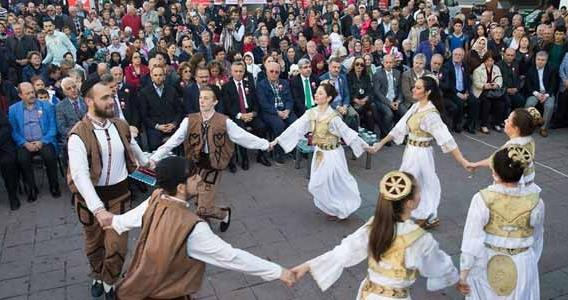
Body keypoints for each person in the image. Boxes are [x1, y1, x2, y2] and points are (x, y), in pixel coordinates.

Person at [104, 156, 295, 299]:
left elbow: (125, 221)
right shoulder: (192, 227)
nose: (199, 179)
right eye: (194, 177)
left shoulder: (156, 197)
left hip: (136, 286)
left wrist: (110, 220)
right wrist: (279, 272)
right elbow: (232, 258)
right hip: (166, 294)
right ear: (180, 187)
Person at [291, 171, 459, 298]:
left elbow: (345, 251)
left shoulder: (375, 224)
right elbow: (439, 266)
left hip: (368, 294)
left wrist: (307, 266)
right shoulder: (419, 238)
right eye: (418, 193)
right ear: (409, 203)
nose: (420, 196)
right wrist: (457, 278)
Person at [67, 78, 148, 299]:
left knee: (118, 244)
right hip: (90, 201)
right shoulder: (78, 134)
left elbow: (134, 149)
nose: (111, 101)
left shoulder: (120, 125)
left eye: (111, 96)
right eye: (105, 97)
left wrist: (149, 163)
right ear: (89, 101)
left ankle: (110, 281)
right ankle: (97, 275)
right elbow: (79, 175)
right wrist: (98, 209)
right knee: (94, 243)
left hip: (120, 195)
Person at [148, 86, 272, 230]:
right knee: (191, 197)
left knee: (203, 208)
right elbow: (174, 141)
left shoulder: (224, 121)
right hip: (193, 165)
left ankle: (223, 214)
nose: (202, 101)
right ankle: (203, 220)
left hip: (213, 166)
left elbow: (243, 137)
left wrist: (265, 144)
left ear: (215, 102)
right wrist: (155, 157)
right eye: (201, 97)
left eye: (206, 98)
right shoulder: (189, 120)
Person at [372, 76, 472, 228]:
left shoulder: (431, 115)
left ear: (428, 92)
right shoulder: (416, 106)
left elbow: (447, 140)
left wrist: (463, 161)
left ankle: (412, 214)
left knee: (413, 182)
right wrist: (381, 143)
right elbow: (400, 127)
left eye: (418, 88)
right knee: (418, 183)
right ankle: (425, 215)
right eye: (415, 86)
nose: (414, 89)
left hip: (421, 153)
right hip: (411, 151)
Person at [271, 82, 373, 220]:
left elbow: (347, 133)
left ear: (329, 98)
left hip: (334, 154)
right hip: (319, 152)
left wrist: (366, 147)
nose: (316, 95)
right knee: (316, 184)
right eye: (316, 92)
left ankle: (340, 208)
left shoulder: (333, 117)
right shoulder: (311, 113)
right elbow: (296, 127)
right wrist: (278, 140)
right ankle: (332, 208)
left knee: (338, 182)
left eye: (320, 93)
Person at [457, 146, 544, 300]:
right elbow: (537, 238)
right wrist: (530, 261)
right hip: (522, 262)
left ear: (495, 174)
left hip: (488, 260)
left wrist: (463, 274)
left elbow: (471, 240)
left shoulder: (482, 199)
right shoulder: (536, 202)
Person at [469, 108, 544, 191]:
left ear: (516, 128)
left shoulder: (512, 148)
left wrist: (475, 165)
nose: (505, 121)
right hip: (528, 186)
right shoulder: (530, 140)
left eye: (508, 120)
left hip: (514, 189)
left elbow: (493, 160)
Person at [9, 82, 60, 201]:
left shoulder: (47, 106)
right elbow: (13, 131)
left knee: (50, 156)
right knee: (22, 159)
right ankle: (31, 188)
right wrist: (24, 143)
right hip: (24, 142)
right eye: (27, 93)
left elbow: (53, 127)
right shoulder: (13, 110)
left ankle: (54, 186)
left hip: (44, 140)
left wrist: (42, 141)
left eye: (32, 92)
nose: (32, 95)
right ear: (20, 95)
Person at [524, 51, 558, 137]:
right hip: (535, 92)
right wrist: (537, 94)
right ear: (535, 59)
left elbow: (553, 84)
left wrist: (546, 95)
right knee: (529, 104)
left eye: (543, 60)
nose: (540, 61)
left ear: (546, 61)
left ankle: (544, 128)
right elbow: (528, 85)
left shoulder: (552, 69)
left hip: (547, 93)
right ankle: (527, 126)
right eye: (538, 59)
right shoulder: (531, 69)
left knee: (549, 106)